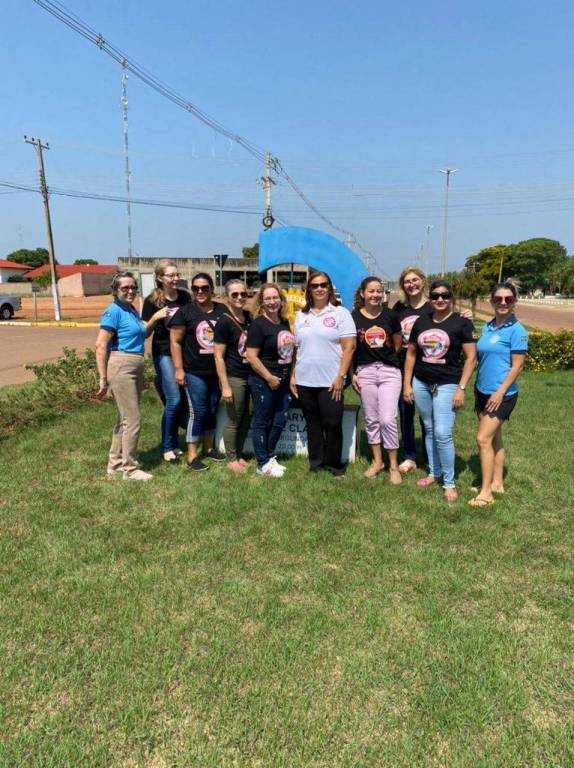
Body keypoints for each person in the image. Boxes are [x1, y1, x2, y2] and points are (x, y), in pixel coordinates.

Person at [392, 267, 472, 474]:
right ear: (402, 285)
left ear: (423, 281)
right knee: (406, 412)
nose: (411, 284)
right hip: (404, 365)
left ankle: (432, 459)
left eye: (415, 280)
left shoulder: (434, 304)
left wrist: (466, 315)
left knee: (429, 418)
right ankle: (409, 455)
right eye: (407, 281)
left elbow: (452, 323)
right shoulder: (399, 308)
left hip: (429, 367)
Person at [402, 280, 476, 503]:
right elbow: (411, 354)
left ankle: (449, 483)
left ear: (451, 298)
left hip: (448, 384)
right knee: (429, 428)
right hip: (421, 382)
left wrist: (461, 388)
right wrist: (407, 384)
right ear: (430, 298)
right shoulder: (421, 321)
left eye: (445, 295)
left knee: (443, 433)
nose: (440, 299)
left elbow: (471, 358)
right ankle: (434, 473)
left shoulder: (462, 323)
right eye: (435, 296)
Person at [95, 271, 168, 480]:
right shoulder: (113, 311)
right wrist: (103, 378)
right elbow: (100, 345)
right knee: (133, 419)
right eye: (124, 288)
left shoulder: (131, 310)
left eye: (133, 287)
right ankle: (130, 469)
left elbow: (141, 333)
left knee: (124, 418)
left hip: (134, 363)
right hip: (122, 365)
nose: (130, 291)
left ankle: (115, 463)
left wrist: (153, 318)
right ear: (115, 291)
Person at [290, 272, 356, 476]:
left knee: (333, 422)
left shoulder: (340, 313)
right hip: (305, 379)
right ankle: (316, 463)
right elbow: (296, 349)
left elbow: (349, 347)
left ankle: (334, 464)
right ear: (308, 289)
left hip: (331, 380)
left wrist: (341, 376)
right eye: (315, 285)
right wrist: (293, 375)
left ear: (329, 288)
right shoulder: (301, 316)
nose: (319, 288)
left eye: (323, 285)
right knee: (313, 423)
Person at [469, 283, 528, 507]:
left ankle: (485, 494)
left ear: (514, 302)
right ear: (492, 300)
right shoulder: (488, 326)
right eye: (498, 299)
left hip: (501, 395)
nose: (503, 303)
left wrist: (500, 392)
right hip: (482, 391)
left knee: (483, 439)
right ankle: (497, 483)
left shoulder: (517, 331)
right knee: (495, 438)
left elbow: (517, 366)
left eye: (508, 299)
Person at [170, 273, 227, 471]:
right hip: (193, 370)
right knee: (198, 410)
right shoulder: (185, 312)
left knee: (212, 408)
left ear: (212, 289)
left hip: (216, 371)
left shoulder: (222, 310)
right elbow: (175, 341)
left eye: (204, 288)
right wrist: (179, 369)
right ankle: (192, 455)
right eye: (196, 288)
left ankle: (209, 448)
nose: (200, 291)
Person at [351, 277, 403, 483]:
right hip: (365, 372)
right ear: (362, 293)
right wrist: (353, 373)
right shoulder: (354, 317)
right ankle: (377, 461)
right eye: (371, 291)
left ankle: (393, 466)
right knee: (371, 419)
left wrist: (386, 359)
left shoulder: (391, 315)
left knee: (387, 419)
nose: (375, 295)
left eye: (379, 291)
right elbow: (351, 348)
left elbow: (397, 343)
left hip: (389, 371)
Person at [142, 260, 191, 464]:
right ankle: (167, 446)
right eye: (170, 275)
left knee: (184, 400)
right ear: (160, 278)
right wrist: (155, 317)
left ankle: (179, 440)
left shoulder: (185, 297)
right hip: (164, 353)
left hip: (184, 352)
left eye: (176, 274)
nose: (175, 278)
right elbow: (144, 333)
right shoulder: (151, 300)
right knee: (174, 399)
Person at [245, 283, 294, 477]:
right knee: (262, 421)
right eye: (268, 299)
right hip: (263, 378)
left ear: (281, 300)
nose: (272, 302)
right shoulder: (258, 324)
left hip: (283, 377)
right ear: (261, 302)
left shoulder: (284, 322)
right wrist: (268, 377)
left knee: (280, 418)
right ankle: (262, 463)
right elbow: (251, 356)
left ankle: (269, 456)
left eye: (275, 298)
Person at [214, 280, 252, 473]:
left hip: (250, 375)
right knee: (234, 418)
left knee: (246, 417)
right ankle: (231, 458)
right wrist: (225, 385)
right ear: (226, 297)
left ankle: (239, 453)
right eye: (234, 294)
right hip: (234, 376)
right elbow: (218, 356)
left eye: (243, 294)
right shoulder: (224, 322)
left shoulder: (249, 317)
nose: (239, 297)